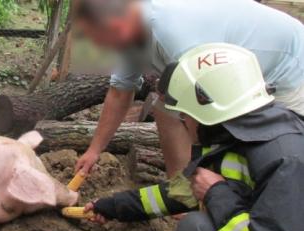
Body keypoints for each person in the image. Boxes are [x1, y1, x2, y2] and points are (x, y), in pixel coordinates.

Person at [85, 43, 304, 231]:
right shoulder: (240, 136)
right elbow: (182, 192)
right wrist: (113, 206)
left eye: (184, 115)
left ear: (206, 111)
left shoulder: (285, 159)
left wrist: (217, 194)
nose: (183, 121)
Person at [73, 0, 304, 179]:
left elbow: (212, 110)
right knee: (165, 108)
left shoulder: (172, 33)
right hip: (228, 67)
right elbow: (119, 93)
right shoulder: (129, 34)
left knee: (266, 144)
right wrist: (94, 151)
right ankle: (182, 188)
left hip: (286, 63)